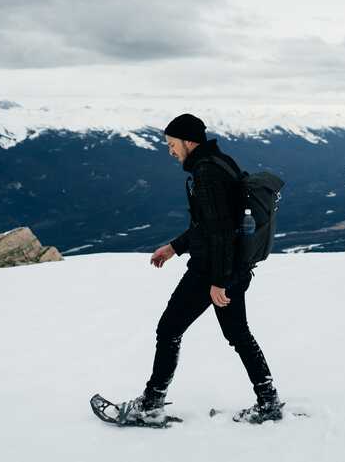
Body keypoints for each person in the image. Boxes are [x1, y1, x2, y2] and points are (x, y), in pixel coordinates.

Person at [118, 113, 282, 425]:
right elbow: (210, 225)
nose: (170, 151)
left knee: (169, 330)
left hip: (212, 270)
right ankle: (268, 400)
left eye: (172, 144)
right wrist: (174, 247)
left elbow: (218, 231)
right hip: (235, 265)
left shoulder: (207, 174)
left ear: (189, 142)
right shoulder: (221, 163)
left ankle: (152, 404)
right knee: (238, 334)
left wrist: (218, 281)